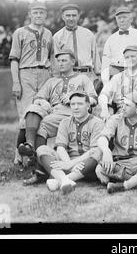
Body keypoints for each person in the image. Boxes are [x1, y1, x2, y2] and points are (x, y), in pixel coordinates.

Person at [19, 49, 97, 185]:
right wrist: (45, 104)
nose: (60, 64)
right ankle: (37, 165)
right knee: (40, 123)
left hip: (75, 113)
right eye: (58, 61)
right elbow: (39, 98)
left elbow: (93, 99)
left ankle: (46, 171)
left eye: (64, 60)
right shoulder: (52, 81)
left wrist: (73, 97)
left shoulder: (83, 78)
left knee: (45, 123)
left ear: (73, 62)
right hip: (56, 114)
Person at [9, 1, 54, 165]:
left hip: (44, 74)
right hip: (25, 73)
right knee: (25, 116)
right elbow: (14, 60)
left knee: (42, 114)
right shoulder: (19, 32)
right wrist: (16, 82)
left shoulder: (49, 34)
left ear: (45, 15)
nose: (38, 15)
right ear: (30, 14)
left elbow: (51, 59)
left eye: (42, 12)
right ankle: (18, 154)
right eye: (35, 12)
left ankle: (35, 154)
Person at [35, 90, 104, 195]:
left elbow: (93, 151)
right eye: (73, 104)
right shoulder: (65, 122)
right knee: (41, 149)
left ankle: (61, 180)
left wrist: (70, 165)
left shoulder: (97, 123)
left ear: (88, 106)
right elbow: (60, 147)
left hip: (87, 165)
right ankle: (64, 180)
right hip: (68, 162)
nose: (76, 107)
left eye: (80, 104)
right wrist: (68, 164)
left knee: (98, 151)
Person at [101, 6, 137, 85]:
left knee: (136, 96)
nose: (122, 20)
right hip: (116, 73)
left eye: (124, 17)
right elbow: (106, 59)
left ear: (131, 19)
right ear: (116, 20)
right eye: (119, 18)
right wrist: (105, 81)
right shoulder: (111, 38)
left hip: (136, 72)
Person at [52, 4, 101, 81]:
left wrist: (99, 75)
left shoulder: (88, 34)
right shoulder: (57, 37)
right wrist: (57, 79)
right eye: (68, 15)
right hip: (67, 76)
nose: (71, 18)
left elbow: (95, 56)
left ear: (78, 16)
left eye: (74, 15)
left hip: (87, 76)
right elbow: (55, 62)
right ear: (63, 17)